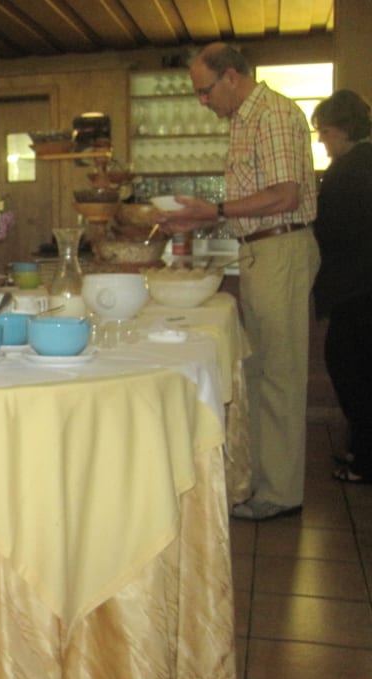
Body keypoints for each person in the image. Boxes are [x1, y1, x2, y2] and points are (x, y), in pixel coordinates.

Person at [158, 42, 320, 521]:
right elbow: (259, 200)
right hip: (262, 249)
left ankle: (281, 494)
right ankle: (262, 483)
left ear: (231, 76)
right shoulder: (245, 121)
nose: (202, 101)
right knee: (260, 371)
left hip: (280, 248)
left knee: (280, 375)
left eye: (205, 90)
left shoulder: (272, 114)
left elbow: (285, 196)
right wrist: (201, 219)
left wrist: (214, 210)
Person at [310, 90, 372, 484]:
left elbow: (331, 231)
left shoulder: (347, 171)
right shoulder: (364, 163)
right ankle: (361, 449)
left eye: (325, 132)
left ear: (343, 130)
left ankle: (365, 461)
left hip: (356, 287)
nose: (321, 140)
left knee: (351, 369)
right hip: (361, 284)